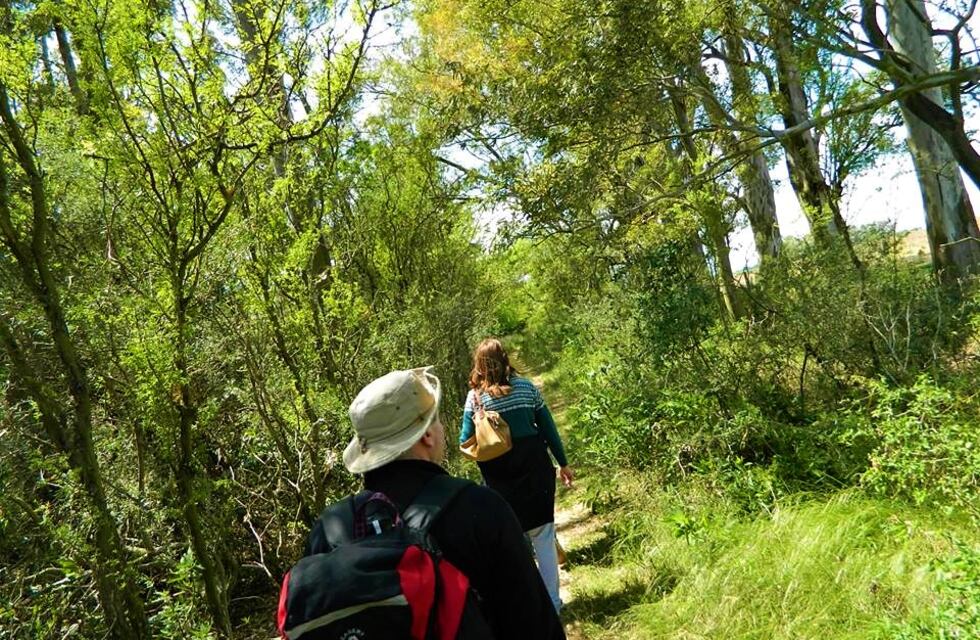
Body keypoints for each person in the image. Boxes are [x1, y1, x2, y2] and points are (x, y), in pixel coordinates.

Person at [342, 366, 566, 639]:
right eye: (435, 420)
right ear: (426, 435)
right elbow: (534, 624)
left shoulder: (332, 530)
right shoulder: (479, 508)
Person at [459, 339, 574, 613]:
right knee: (543, 536)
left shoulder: (475, 399)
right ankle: (553, 606)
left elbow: (465, 440)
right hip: (535, 471)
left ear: (479, 365)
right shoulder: (526, 388)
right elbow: (548, 428)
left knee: (513, 542)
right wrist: (563, 464)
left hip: (499, 478)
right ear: (506, 358)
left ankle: (525, 607)